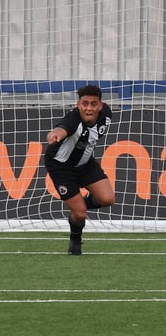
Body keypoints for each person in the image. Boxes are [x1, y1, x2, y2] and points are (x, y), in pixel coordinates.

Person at [44, 84, 115, 255]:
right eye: (84, 103)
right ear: (78, 104)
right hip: (61, 167)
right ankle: (75, 239)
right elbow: (61, 129)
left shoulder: (106, 115)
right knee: (80, 215)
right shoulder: (73, 120)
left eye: (93, 104)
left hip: (85, 163)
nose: (88, 108)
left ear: (100, 105)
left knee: (108, 199)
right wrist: (55, 134)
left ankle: (78, 206)